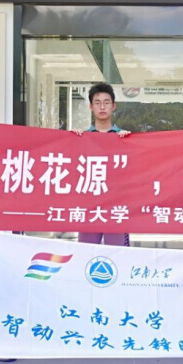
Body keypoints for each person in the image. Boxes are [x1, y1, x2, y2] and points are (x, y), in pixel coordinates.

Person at [73, 82, 130, 246]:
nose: (102, 107)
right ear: (91, 107)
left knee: (117, 254)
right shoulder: (82, 138)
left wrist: (130, 143)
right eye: (97, 103)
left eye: (106, 102)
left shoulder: (124, 137)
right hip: (89, 206)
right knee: (86, 253)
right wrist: (71, 141)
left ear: (114, 106)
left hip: (116, 207)